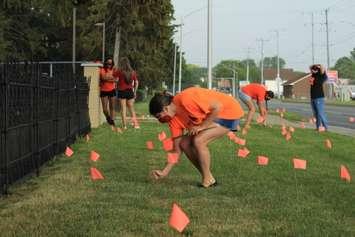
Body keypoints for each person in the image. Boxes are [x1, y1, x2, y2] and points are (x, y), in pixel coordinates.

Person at [149, 87, 244, 188]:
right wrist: (164, 172)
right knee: (184, 143)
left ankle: (207, 180)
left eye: (159, 116)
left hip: (229, 111)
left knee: (199, 141)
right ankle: (209, 178)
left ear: (165, 108)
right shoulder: (173, 120)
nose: (160, 120)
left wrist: (202, 126)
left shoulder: (186, 99)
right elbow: (176, 150)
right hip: (213, 119)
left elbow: (217, 107)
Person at [116, 57, 140, 129]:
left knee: (123, 109)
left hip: (121, 91)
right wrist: (135, 92)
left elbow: (116, 79)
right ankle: (136, 125)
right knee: (131, 109)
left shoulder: (119, 71)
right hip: (130, 91)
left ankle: (125, 126)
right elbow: (136, 82)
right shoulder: (133, 72)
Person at [309, 64, 328, 131]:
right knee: (316, 114)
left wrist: (320, 65)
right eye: (313, 69)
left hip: (319, 97)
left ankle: (325, 127)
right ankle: (318, 127)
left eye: (314, 69)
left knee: (320, 113)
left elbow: (322, 69)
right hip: (313, 97)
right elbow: (310, 67)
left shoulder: (321, 75)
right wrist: (314, 65)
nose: (312, 70)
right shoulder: (313, 75)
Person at [99, 58, 118, 126]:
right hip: (103, 90)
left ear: (112, 64)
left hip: (112, 90)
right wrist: (111, 79)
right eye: (107, 63)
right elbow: (103, 78)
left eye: (110, 64)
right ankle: (108, 118)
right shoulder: (102, 69)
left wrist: (108, 79)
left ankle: (112, 122)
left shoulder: (114, 70)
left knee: (112, 107)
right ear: (105, 63)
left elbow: (116, 79)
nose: (109, 65)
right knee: (104, 109)